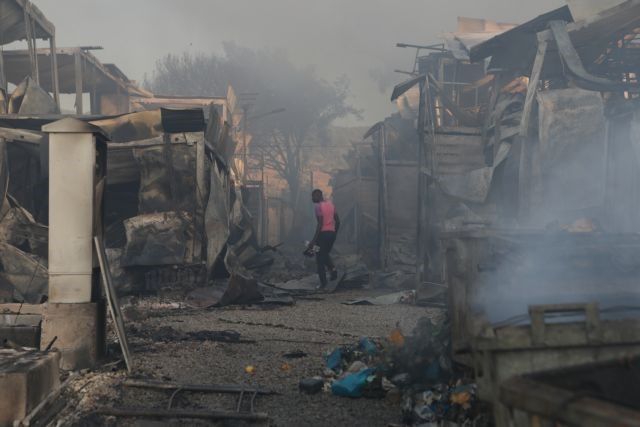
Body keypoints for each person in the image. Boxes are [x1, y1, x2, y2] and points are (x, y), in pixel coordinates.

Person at [307, 189, 340, 289]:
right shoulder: (331, 205)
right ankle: (333, 270)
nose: (312, 199)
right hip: (331, 235)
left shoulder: (318, 207)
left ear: (318, 196)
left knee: (319, 259)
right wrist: (334, 233)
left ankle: (323, 283)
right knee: (325, 254)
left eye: (313, 196)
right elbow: (338, 221)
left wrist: (313, 240)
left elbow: (320, 224)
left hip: (322, 235)